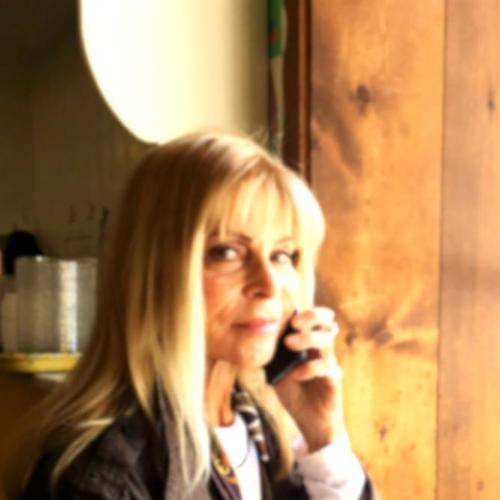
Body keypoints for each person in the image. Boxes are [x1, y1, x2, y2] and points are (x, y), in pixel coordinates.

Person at [11, 131, 376, 499]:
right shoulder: (103, 477)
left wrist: (325, 440)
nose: (269, 284)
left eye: (283, 255)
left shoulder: (262, 433)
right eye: (227, 253)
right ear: (154, 272)